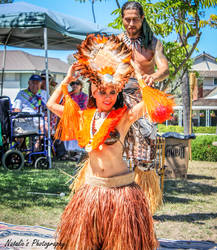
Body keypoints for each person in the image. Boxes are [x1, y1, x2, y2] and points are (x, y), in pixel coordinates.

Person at [46, 34, 162, 250]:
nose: (107, 96)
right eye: (102, 92)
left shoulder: (123, 118)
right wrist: (66, 80)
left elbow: (149, 104)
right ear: (94, 93)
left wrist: (138, 75)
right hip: (92, 190)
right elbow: (51, 104)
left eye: (112, 92)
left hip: (121, 192)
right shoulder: (83, 117)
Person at [119, 1, 170, 214]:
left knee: (145, 155)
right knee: (118, 152)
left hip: (143, 101)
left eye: (135, 19)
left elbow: (165, 68)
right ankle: (119, 203)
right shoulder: (116, 43)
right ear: (122, 18)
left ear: (142, 19)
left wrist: (153, 76)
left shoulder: (153, 43)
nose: (131, 23)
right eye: (127, 19)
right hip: (119, 101)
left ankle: (144, 208)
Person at [12, 74, 47, 150]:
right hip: (25, 119)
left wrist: (47, 117)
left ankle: (35, 150)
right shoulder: (22, 94)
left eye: (37, 83)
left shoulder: (44, 94)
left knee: (46, 128)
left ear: (40, 84)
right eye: (33, 83)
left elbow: (49, 107)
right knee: (19, 134)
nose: (35, 85)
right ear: (29, 83)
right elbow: (16, 110)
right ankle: (18, 150)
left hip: (39, 119)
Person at [63, 80, 88, 161]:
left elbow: (83, 107)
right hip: (69, 118)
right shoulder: (68, 95)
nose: (75, 85)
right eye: (73, 83)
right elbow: (63, 105)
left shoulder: (84, 96)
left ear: (81, 86)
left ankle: (79, 153)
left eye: (77, 83)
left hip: (80, 118)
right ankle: (69, 152)